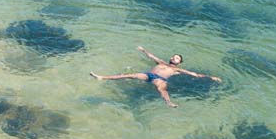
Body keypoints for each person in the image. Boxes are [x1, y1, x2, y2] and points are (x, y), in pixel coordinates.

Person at [90, 46, 221, 108]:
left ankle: (169, 103)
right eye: (173, 56)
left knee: (162, 89)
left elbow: (195, 74)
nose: (173, 58)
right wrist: (143, 50)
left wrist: (211, 78)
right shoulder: (162, 63)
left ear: (179, 62)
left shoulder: (178, 70)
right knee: (129, 75)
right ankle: (102, 77)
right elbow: (151, 56)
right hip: (149, 75)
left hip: (160, 80)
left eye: (177, 58)